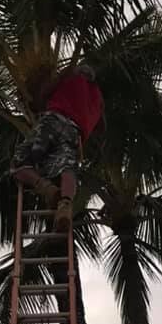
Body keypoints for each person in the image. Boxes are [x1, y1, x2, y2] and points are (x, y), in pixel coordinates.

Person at [11, 65, 104, 232]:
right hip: (74, 132)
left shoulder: (69, 77)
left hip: (52, 120)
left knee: (18, 163)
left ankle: (47, 188)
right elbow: (101, 126)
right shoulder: (97, 99)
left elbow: (44, 94)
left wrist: (60, 75)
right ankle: (65, 206)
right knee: (67, 168)